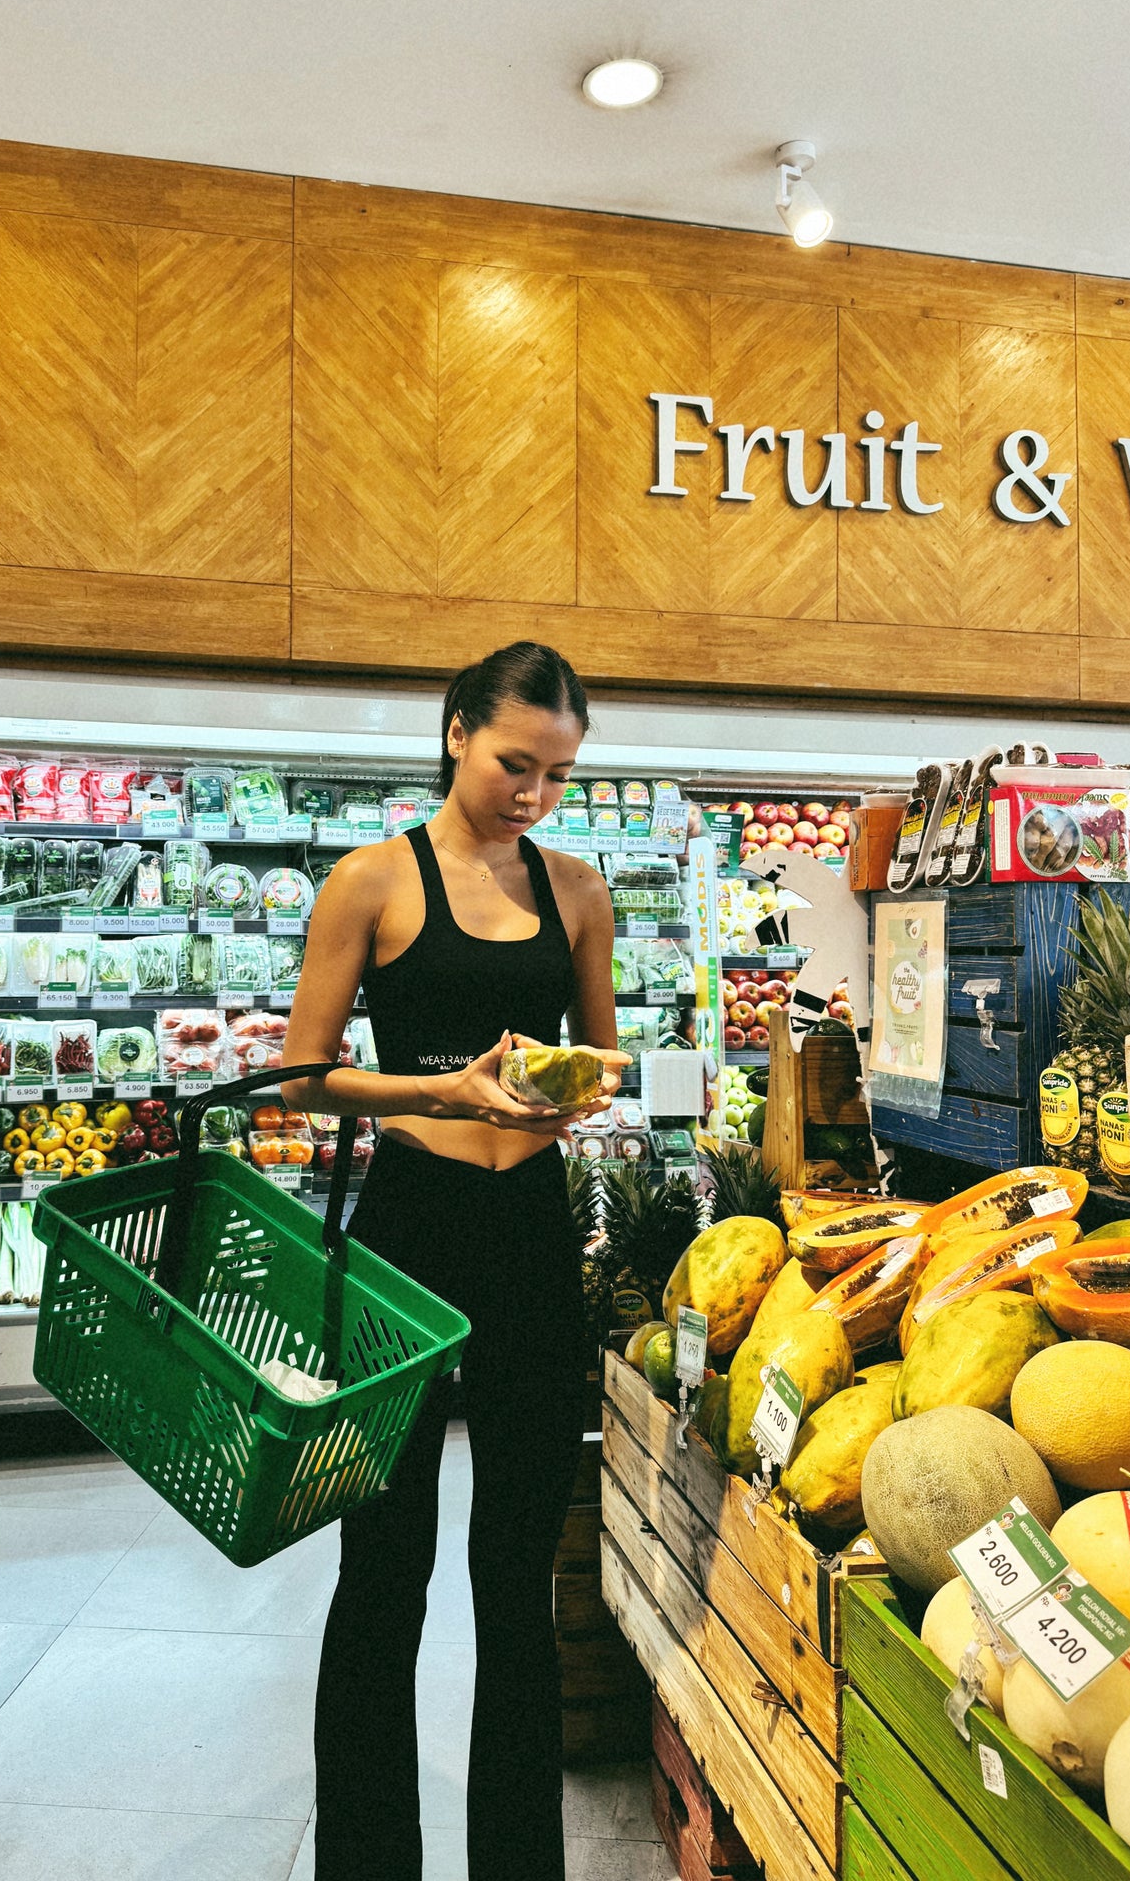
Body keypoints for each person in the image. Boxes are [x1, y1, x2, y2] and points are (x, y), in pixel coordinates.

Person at [281, 641, 629, 1881]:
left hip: (531, 1238)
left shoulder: (580, 891)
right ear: (452, 733)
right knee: (383, 1567)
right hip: (406, 1237)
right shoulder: (371, 880)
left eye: (557, 772)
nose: (532, 791)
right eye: (512, 761)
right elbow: (308, 1071)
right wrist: (444, 1085)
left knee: (515, 1570)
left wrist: (568, 1096)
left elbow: (600, 1059)